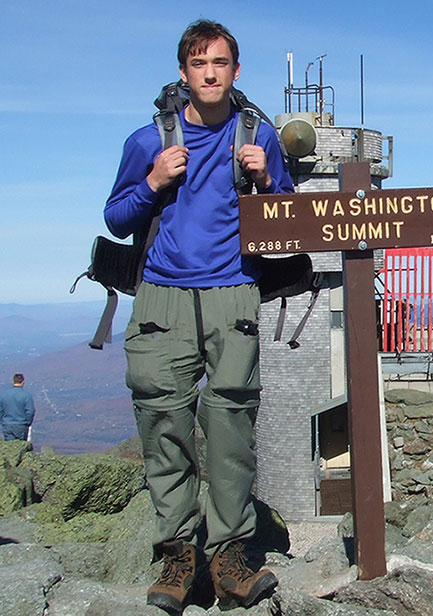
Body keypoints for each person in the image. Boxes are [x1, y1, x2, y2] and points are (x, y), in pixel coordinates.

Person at [104, 19, 293, 614]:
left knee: (232, 423)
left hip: (233, 290)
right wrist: (155, 179)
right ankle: (177, 557)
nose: (209, 73)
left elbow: (289, 220)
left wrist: (266, 177)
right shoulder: (148, 140)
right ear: (184, 74)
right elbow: (117, 217)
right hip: (160, 293)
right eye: (198, 63)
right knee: (163, 423)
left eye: (220, 63)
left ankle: (230, 556)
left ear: (236, 72)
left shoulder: (257, 136)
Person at [0, 374, 35, 441]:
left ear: (13, 382)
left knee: (10, 447)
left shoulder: (4, 395)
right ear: (23, 382)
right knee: (21, 447)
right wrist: (27, 422)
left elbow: (0, 410)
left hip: (7, 424)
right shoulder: (26, 395)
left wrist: (3, 421)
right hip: (21, 424)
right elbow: (30, 411)